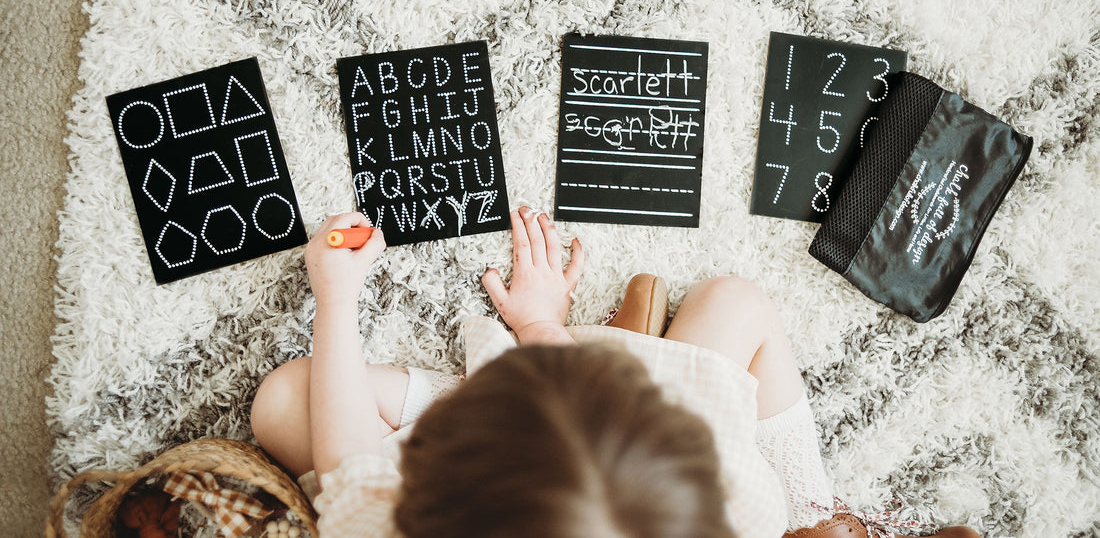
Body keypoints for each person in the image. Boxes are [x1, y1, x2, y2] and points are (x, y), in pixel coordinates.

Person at [250, 208, 979, 538]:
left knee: (284, 402)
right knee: (736, 302)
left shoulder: (396, 523)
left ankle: (816, 514)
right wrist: (541, 327)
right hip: (647, 454)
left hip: (508, 445)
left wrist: (336, 298)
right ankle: (817, 509)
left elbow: (349, 474)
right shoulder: (739, 500)